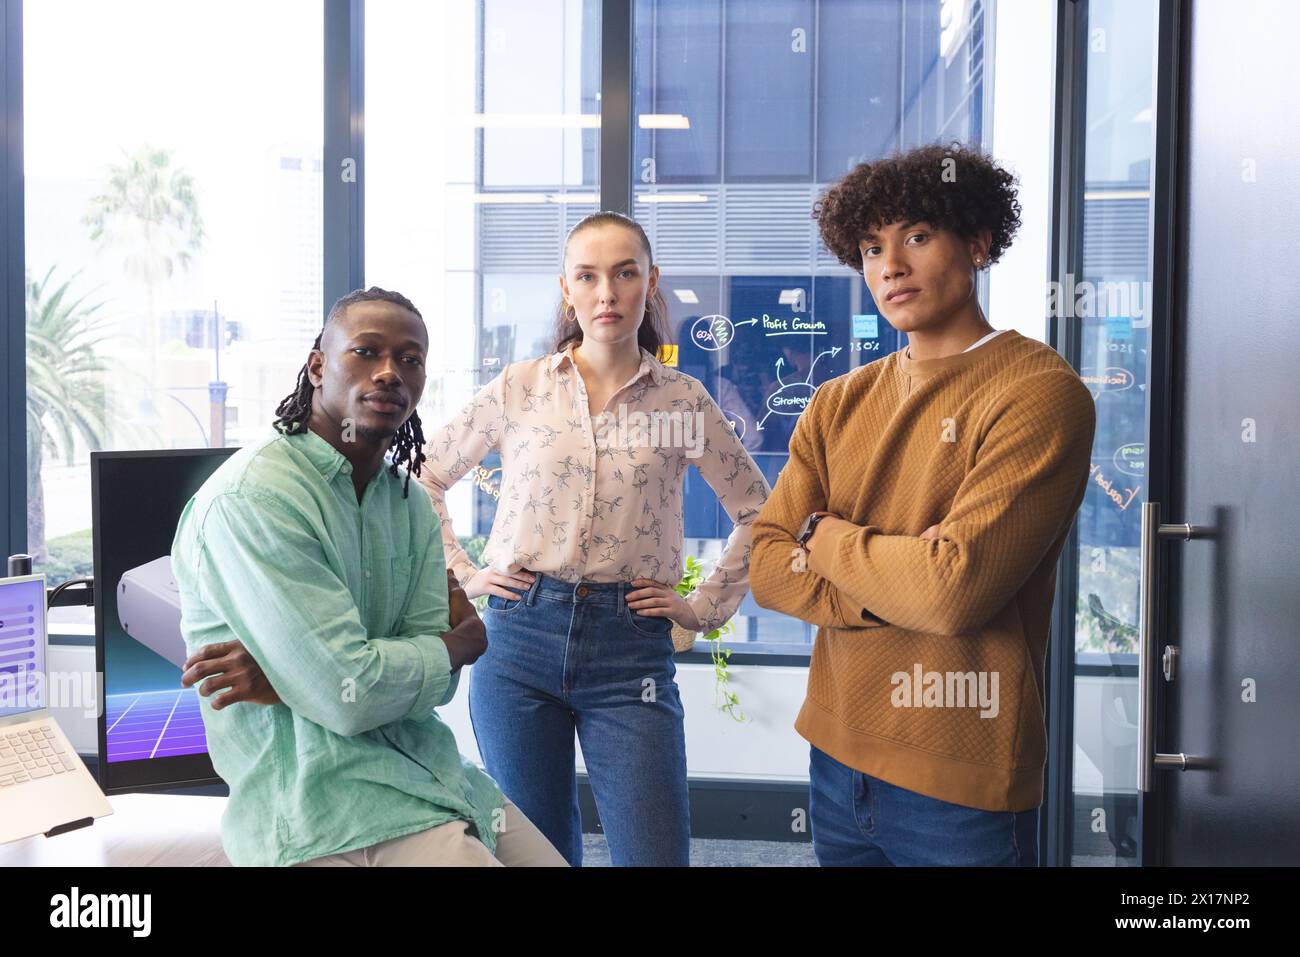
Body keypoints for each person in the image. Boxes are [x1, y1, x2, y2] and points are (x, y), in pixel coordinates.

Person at [749, 143, 1096, 866]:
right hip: (837, 757)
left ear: (977, 241)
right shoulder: (838, 400)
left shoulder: (1038, 391)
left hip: (961, 782)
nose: (890, 266)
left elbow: (951, 591)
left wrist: (827, 536)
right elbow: (768, 567)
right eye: (872, 246)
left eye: (916, 235)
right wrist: (895, 572)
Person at [417, 212, 770, 866]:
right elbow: (424, 477)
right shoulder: (520, 387)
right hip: (517, 639)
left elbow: (757, 509)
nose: (606, 292)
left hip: (628, 647)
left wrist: (704, 607)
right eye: (588, 275)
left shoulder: (683, 401)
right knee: (538, 856)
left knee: (653, 854)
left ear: (650, 283)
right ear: (567, 288)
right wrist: (465, 574)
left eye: (624, 273)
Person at [172, 287, 566, 867]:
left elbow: (412, 683)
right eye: (366, 352)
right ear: (317, 367)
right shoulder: (255, 498)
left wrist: (296, 678)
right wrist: (455, 645)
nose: (390, 373)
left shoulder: (405, 501)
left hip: (430, 773)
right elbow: (350, 694)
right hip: (325, 806)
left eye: (410, 360)